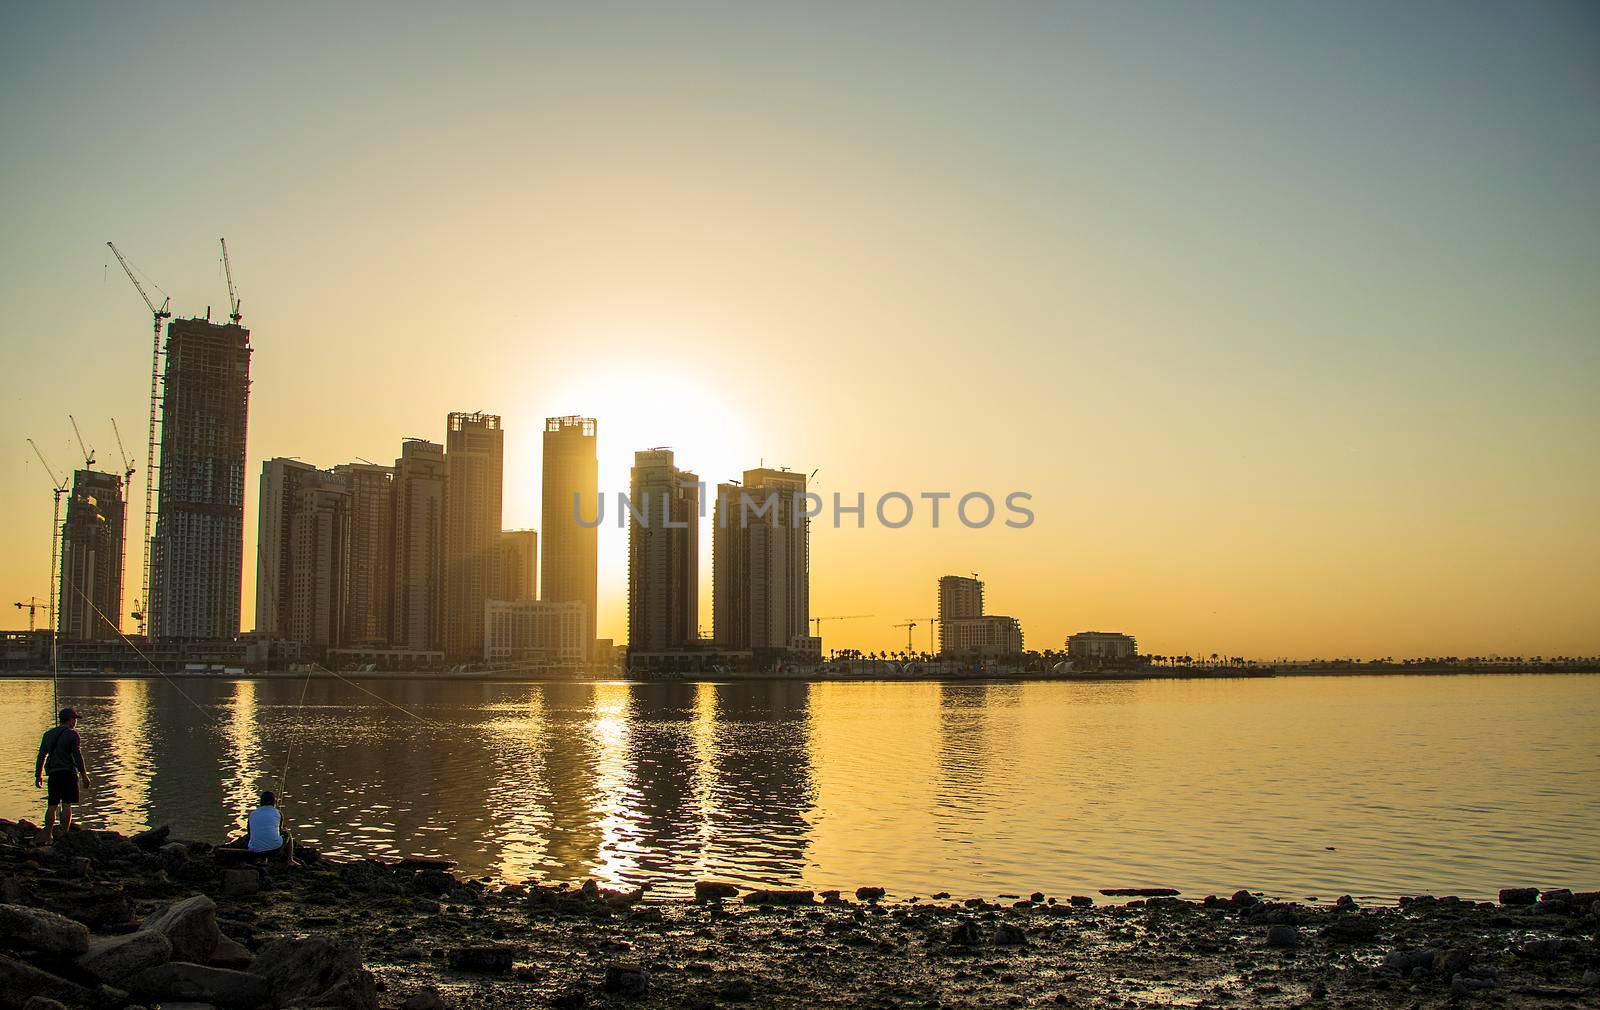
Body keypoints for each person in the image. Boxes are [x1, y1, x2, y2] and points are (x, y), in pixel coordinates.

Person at [34, 707, 90, 843]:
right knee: (67, 804)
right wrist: (84, 775)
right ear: (70, 720)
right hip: (68, 774)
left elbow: (41, 755)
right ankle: (64, 833)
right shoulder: (73, 735)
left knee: (52, 805)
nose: (75, 722)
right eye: (75, 719)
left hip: (53, 774)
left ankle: (48, 834)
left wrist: (38, 775)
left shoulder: (48, 734)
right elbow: (77, 756)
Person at [246, 791, 293, 861]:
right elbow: (279, 832)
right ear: (274, 802)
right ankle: (290, 860)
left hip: (254, 852)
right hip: (274, 850)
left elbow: (250, 833)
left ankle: (263, 860)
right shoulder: (278, 813)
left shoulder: (252, 814)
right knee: (287, 833)